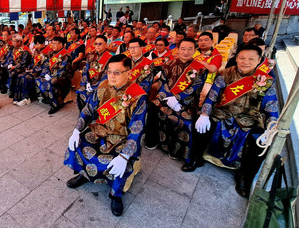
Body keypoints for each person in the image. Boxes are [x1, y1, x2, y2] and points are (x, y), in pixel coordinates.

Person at [64, 54, 148, 216]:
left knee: (121, 161)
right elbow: (88, 109)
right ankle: (84, 174)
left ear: (129, 73)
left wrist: (124, 156)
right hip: (101, 130)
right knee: (80, 142)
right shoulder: (102, 86)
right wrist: (76, 130)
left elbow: (137, 129)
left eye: (117, 72)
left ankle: (115, 194)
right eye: (109, 71)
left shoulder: (138, 96)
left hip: (123, 137)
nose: (111, 76)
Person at [196, 45, 278, 197]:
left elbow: (271, 105)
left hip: (250, 119)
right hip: (223, 114)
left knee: (258, 140)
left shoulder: (266, 81)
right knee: (202, 124)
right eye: (242, 58)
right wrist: (204, 114)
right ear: (236, 58)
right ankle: (196, 158)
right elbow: (212, 96)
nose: (245, 62)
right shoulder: (225, 74)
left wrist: (271, 127)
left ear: (259, 60)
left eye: (251, 59)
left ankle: (244, 177)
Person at [148, 38, 208, 170]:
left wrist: (178, 99)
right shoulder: (168, 64)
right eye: (183, 49)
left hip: (186, 103)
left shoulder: (201, 69)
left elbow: (196, 88)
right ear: (178, 49)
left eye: (190, 49)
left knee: (185, 120)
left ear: (195, 50)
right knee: (152, 106)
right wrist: (168, 98)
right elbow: (162, 82)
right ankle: (154, 141)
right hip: (166, 98)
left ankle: (178, 152)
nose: (186, 52)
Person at [35, 36, 72, 114]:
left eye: (56, 43)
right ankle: (47, 97)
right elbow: (45, 65)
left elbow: (63, 70)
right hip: (50, 75)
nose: (53, 45)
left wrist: (52, 76)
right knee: (38, 79)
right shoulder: (50, 53)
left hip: (63, 77)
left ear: (61, 44)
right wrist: (46, 73)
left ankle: (55, 104)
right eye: (53, 43)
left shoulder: (66, 55)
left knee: (52, 82)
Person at [76, 35, 111, 111]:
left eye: (100, 44)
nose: (97, 46)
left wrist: (95, 86)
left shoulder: (110, 58)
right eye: (96, 44)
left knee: (94, 94)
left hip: (101, 84)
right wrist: (87, 82)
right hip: (89, 81)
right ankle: (84, 112)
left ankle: (93, 113)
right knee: (81, 91)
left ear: (106, 45)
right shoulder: (91, 56)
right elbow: (86, 69)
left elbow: (107, 75)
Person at [13, 35, 46, 106]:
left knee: (26, 77)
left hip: (40, 72)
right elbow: (32, 62)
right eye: (36, 44)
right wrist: (29, 68)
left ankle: (27, 98)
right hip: (33, 70)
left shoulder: (46, 52)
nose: (36, 46)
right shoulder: (36, 51)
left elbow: (44, 66)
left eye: (38, 44)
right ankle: (18, 97)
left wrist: (33, 70)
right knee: (20, 75)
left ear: (43, 44)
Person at [7, 34, 32, 99]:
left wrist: (14, 67)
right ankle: (11, 90)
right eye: (12, 41)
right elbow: (11, 58)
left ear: (19, 42)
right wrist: (11, 64)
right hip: (15, 66)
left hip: (23, 68)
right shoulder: (14, 49)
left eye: (14, 41)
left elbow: (24, 63)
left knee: (13, 73)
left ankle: (13, 92)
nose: (12, 43)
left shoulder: (25, 50)